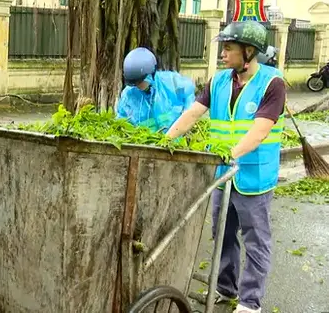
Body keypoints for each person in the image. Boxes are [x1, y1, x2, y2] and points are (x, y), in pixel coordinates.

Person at [166, 20, 286, 313]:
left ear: (248, 51)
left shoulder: (272, 84)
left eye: (228, 48)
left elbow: (259, 131)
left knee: (255, 241)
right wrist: (162, 140)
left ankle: (249, 302)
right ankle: (225, 287)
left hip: (254, 177)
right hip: (224, 176)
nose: (222, 54)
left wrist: (229, 154)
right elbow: (193, 113)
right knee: (222, 234)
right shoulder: (218, 81)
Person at [116, 47, 196, 133]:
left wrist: (186, 116)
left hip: (174, 141)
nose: (137, 85)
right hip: (142, 143)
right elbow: (122, 121)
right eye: (134, 83)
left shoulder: (172, 83)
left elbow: (189, 98)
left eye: (140, 81)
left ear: (151, 74)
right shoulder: (128, 94)